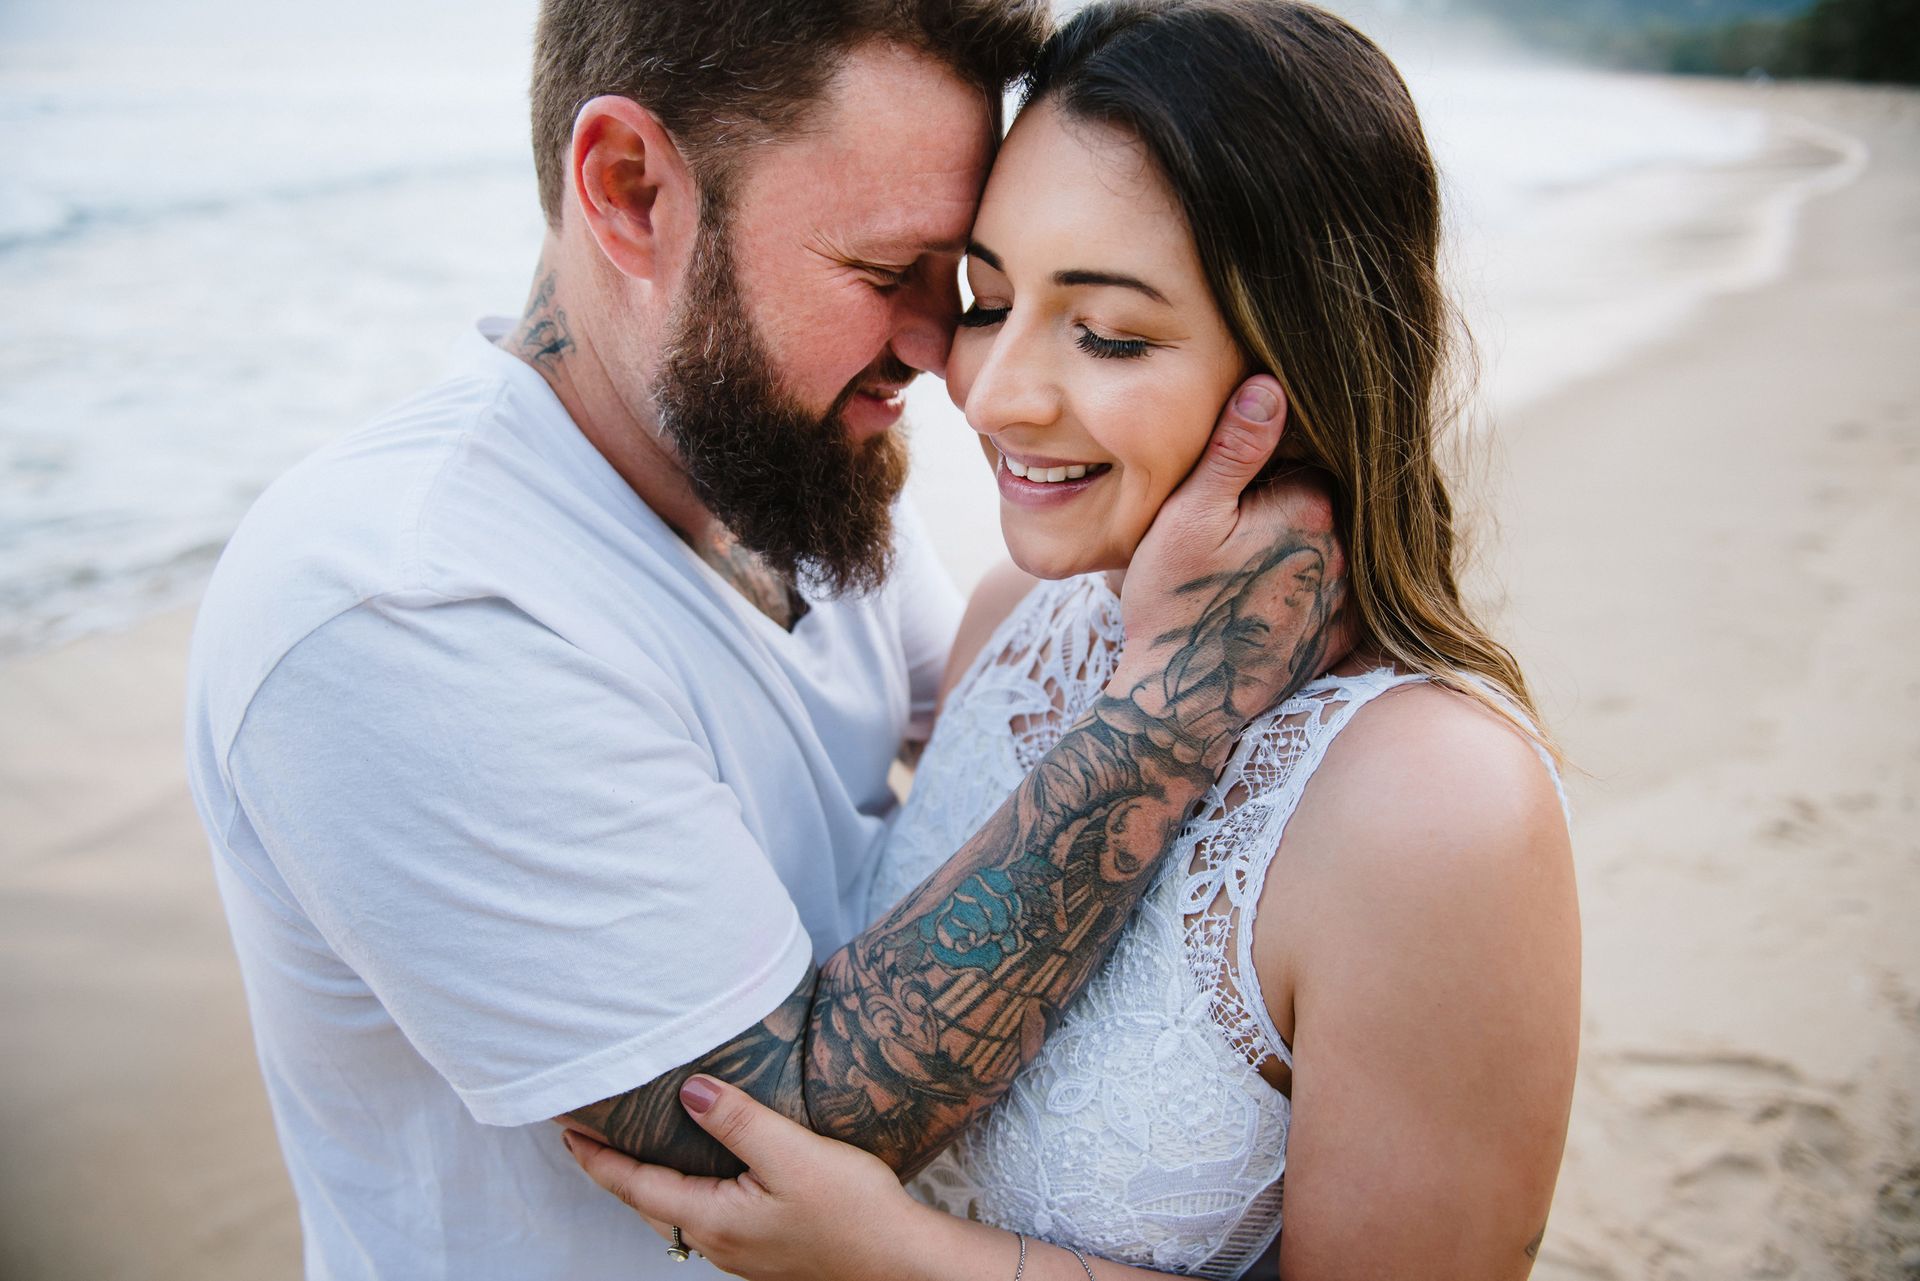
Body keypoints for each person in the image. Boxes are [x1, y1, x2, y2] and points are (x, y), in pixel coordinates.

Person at [184, 1, 1355, 1277]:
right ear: (631, 190)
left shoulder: (774, 466)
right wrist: (1173, 707)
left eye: (957, 284)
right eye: (881, 274)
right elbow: (772, 1150)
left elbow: (979, 723)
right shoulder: (400, 600)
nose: (941, 357)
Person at [564, 2, 1582, 1278]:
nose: (992, 392)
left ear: (1305, 357)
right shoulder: (1014, 621)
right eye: (988, 302)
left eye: (1107, 333)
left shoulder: (1438, 811)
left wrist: (903, 1261)